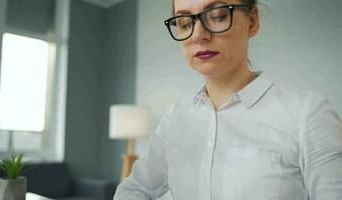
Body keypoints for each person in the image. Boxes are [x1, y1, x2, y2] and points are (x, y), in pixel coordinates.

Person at [114, 0, 342, 199]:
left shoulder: (308, 114)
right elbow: (134, 189)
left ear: (252, 21)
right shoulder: (176, 117)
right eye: (184, 23)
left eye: (217, 16)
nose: (198, 34)